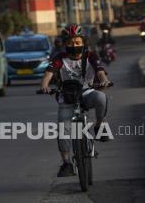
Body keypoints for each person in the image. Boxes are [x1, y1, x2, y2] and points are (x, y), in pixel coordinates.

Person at [40, 24, 112, 177]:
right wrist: (45, 86)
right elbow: (48, 73)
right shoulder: (59, 59)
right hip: (66, 97)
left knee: (101, 97)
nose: (74, 45)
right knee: (63, 130)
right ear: (65, 44)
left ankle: (99, 126)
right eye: (71, 43)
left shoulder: (90, 56)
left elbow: (100, 71)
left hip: (86, 93)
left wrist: (104, 80)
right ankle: (66, 163)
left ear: (83, 43)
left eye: (77, 42)